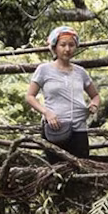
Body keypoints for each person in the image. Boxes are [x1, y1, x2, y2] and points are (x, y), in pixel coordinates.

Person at [26, 26, 97, 158]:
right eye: (63, 45)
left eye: (71, 45)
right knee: (55, 171)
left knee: (80, 169)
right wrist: (47, 113)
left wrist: (94, 105)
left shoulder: (81, 72)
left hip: (79, 129)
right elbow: (30, 96)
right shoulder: (44, 70)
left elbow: (95, 96)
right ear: (54, 47)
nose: (67, 49)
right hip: (55, 129)